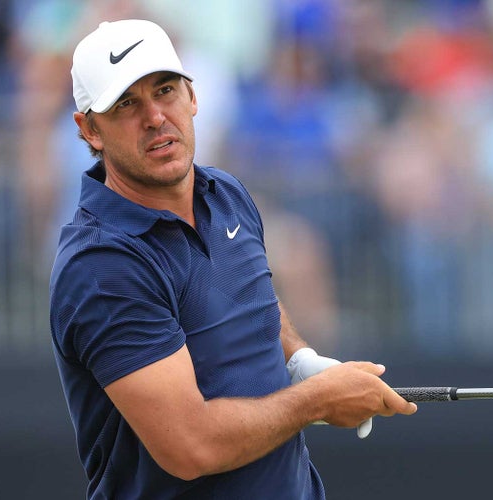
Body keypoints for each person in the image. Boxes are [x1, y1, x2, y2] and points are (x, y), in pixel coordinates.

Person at [49, 19, 416, 499]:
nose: (155, 116)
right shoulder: (102, 265)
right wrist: (317, 400)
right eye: (126, 104)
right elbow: (190, 446)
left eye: (165, 90)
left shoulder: (226, 193)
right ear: (90, 130)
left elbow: (249, 294)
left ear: (192, 96)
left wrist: (298, 358)